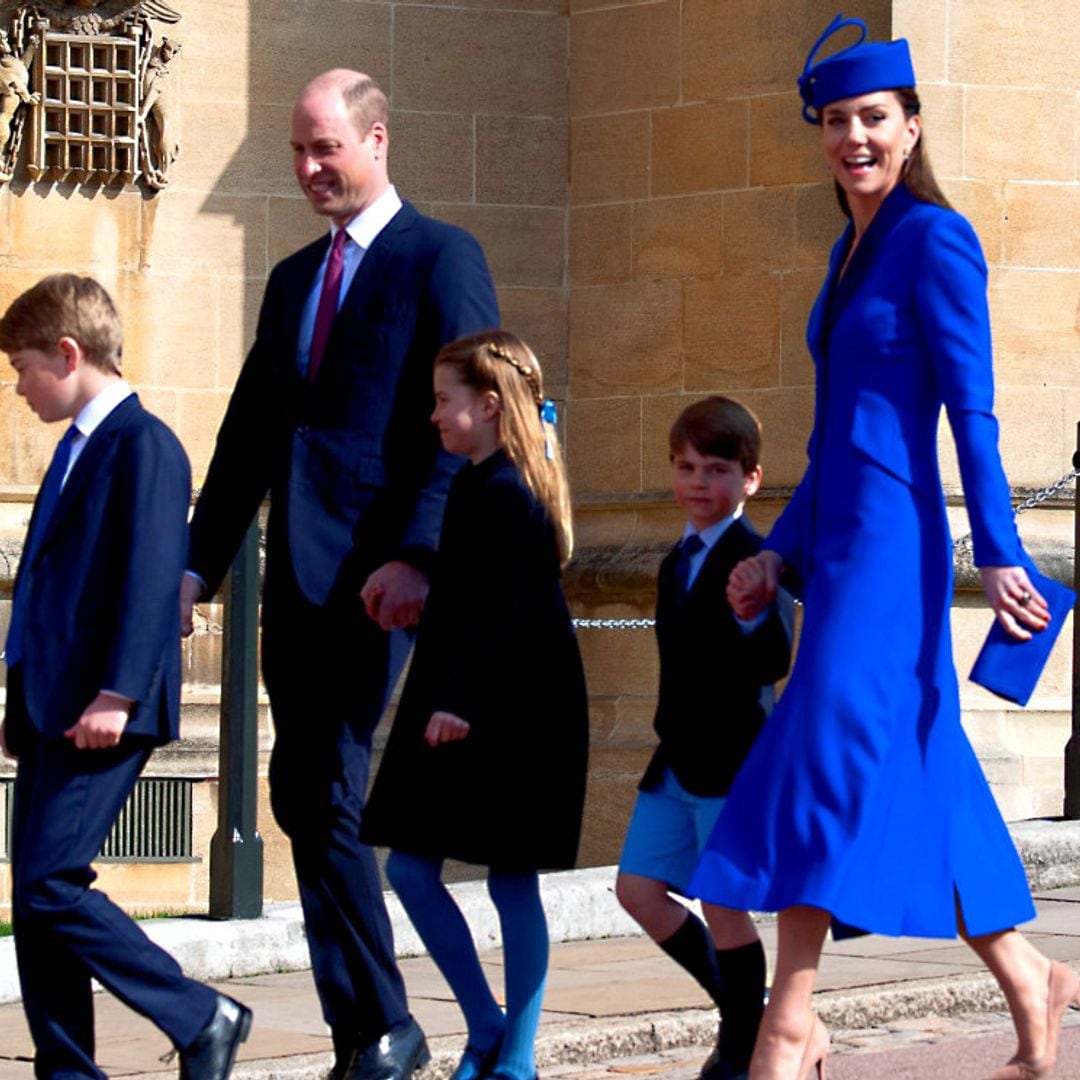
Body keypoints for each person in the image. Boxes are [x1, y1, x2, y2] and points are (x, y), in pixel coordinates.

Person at [687, 16, 1078, 1080]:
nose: (854, 137)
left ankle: (790, 1019)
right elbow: (833, 432)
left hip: (898, 548)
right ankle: (1033, 978)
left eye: (875, 119)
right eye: (839, 121)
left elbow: (973, 413)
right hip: (843, 537)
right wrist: (774, 549)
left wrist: (997, 550)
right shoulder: (845, 248)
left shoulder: (934, 239)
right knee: (922, 763)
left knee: (822, 745)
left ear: (911, 129)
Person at [179, 71, 498, 1080]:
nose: (311, 169)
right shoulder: (289, 281)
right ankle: (366, 1029)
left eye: (327, 149)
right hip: (294, 584)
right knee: (298, 793)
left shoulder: (442, 257)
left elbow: (475, 423)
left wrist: (420, 555)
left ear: (377, 140)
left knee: (328, 784)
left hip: (380, 579)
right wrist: (194, 565)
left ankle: (389, 1029)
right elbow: (247, 439)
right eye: (298, 152)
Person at [0, 274, 251, 1080]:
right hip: (50, 705)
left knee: (48, 884)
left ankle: (198, 1013)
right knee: (38, 901)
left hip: (103, 705)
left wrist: (118, 693)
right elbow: (45, 581)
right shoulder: (78, 448)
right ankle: (67, 1070)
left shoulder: (143, 446)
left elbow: (150, 579)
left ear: (68, 354)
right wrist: (16, 693)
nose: (17, 384)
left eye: (24, 366)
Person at [361, 330, 589, 1080]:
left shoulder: (514, 492)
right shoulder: (473, 484)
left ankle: (515, 1053)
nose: (433, 416)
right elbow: (468, 598)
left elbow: (511, 614)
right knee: (411, 869)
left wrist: (459, 700)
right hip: (455, 692)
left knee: (509, 877)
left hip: (512, 707)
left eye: (443, 401)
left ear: (488, 405)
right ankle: (485, 1023)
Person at [615, 396, 793, 1080]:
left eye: (717, 469)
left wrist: (750, 610)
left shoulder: (757, 556)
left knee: (723, 903)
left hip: (733, 757)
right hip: (675, 759)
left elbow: (774, 656)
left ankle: (743, 1044)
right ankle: (755, 1011)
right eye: (686, 466)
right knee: (639, 891)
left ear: (750, 478)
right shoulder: (673, 562)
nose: (698, 481)